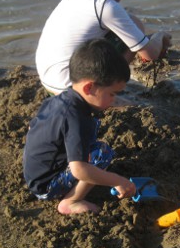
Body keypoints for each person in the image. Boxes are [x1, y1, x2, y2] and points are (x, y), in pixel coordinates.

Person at [35, 0, 172, 95]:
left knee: (130, 23)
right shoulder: (106, 6)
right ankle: (111, 88)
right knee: (136, 27)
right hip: (73, 90)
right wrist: (159, 36)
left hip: (49, 80)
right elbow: (150, 54)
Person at [23, 39, 137, 215]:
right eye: (111, 94)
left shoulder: (58, 100)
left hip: (36, 175)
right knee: (101, 154)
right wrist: (118, 181)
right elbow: (79, 169)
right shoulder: (75, 117)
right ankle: (71, 201)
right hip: (47, 186)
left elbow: (33, 128)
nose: (113, 100)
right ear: (89, 87)